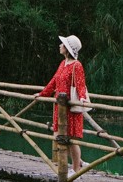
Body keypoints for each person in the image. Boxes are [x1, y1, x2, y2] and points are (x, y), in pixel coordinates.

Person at [36, 34, 89, 174]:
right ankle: (80, 162)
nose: (60, 46)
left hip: (70, 107)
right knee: (59, 136)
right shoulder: (62, 64)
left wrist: (82, 97)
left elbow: (80, 84)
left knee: (71, 139)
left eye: (62, 44)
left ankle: (76, 169)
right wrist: (42, 94)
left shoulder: (76, 65)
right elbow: (54, 81)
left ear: (68, 49)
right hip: (59, 107)